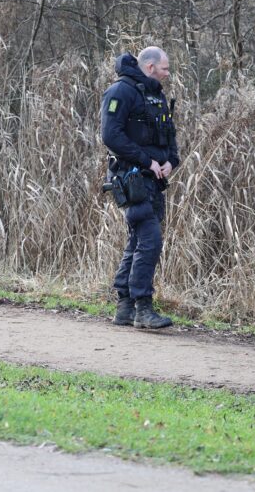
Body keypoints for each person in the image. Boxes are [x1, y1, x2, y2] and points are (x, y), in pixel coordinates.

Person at [100, 46, 181, 329]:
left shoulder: (156, 95)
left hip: (155, 181)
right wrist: (147, 161)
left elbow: (168, 135)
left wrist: (171, 161)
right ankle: (143, 308)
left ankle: (124, 307)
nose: (168, 74)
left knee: (138, 240)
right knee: (150, 239)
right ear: (150, 67)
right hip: (131, 178)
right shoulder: (120, 92)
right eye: (165, 69)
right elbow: (111, 135)